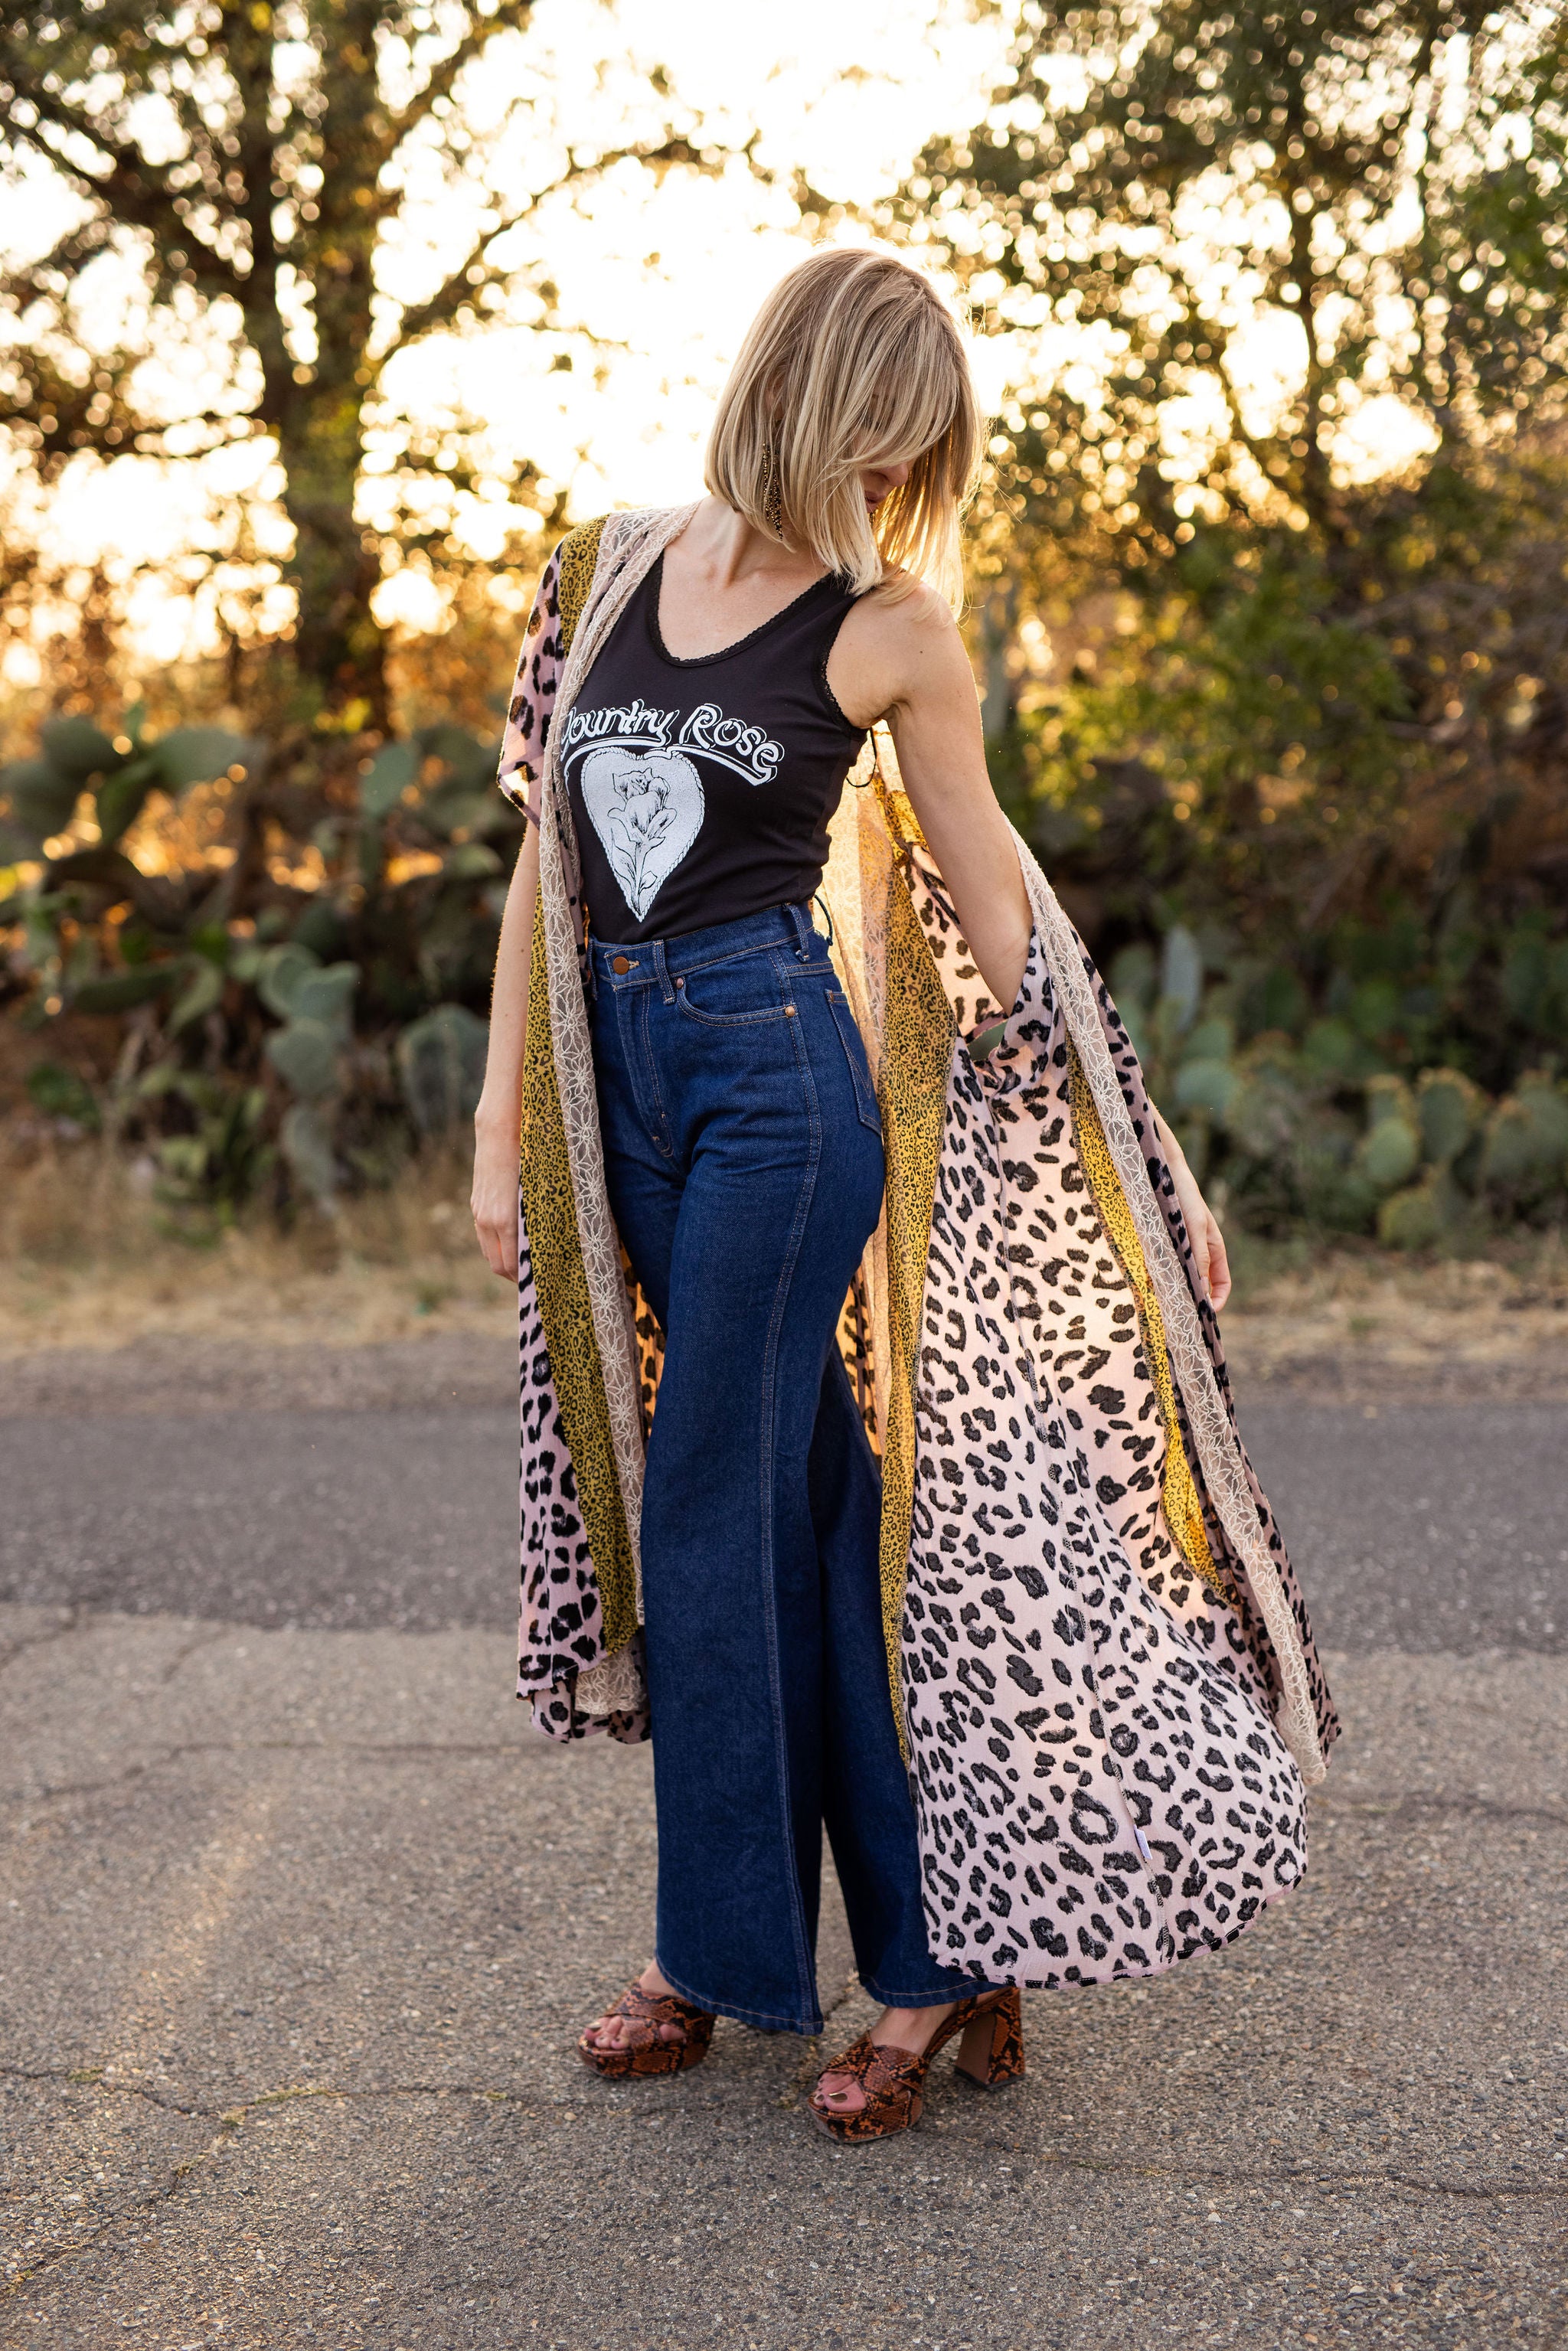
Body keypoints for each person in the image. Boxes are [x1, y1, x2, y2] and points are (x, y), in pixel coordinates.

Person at [470, 247, 1337, 2144]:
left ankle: (714, 1960)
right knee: (805, 1517)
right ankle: (947, 1952)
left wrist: (1147, 1141)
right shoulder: (600, 570)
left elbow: (997, 905)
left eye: (915, 452)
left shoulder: (892, 629)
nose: (889, 478)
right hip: (618, 1090)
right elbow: (541, 865)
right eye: (875, 430)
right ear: (800, 386)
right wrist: (494, 1134)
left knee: (704, 1506)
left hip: (784, 1084)